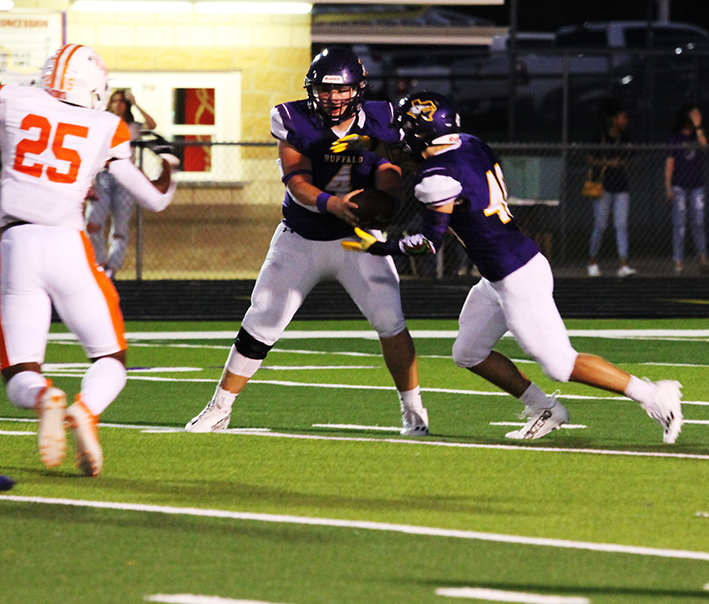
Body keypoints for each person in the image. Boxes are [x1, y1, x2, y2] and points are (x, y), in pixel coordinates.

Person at [340, 91, 683, 443]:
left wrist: (380, 245)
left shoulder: (436, 180)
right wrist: (369, 147)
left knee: (560, 363)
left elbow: (430, 241)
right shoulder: (470, 145)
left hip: (517, 276)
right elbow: (425, 161)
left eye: (405, 129)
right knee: (468, 351)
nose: (399, 135)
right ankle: (544, 408)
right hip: (503, 271)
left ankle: (654, 395)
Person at [185, 47, 429, 436]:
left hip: (359, 239)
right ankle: (220, 408)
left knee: (390, 321)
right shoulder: (292, 118)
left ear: (359, 89)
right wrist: (334, 203)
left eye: (341, 91)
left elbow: (388, 172)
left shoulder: (382, 118)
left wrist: (384, 202)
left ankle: (414, 412)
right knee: (262, 318)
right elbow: (296, 180)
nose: (332, 99)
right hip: (302, 236)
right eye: (325, 90)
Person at [0, 44, 177, 476]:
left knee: (20, 368)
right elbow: (155, 200)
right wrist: (170, 164)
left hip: (13, 245)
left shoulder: (11, 99)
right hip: (67, 244)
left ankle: (44, 397)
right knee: (110, 357)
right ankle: (86, 410)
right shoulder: (106, 126)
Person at [85, 89, 157, 279]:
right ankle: (100, 262)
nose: (118, 105)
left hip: (125, 180)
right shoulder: (104, 124)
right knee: (92, 222)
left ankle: (112, 267)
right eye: (115, 101)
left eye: (122, 102)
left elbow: (152, 125)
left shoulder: (133, 127)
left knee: (120, 227)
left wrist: (137, 103)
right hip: (103, 176)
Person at [587, 99, 636, 278]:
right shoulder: (600, 137)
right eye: (622, 117)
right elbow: (590, 159)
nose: (625, 120)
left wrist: (622, 163)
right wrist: (608, 162)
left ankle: (623, 264)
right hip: (603, 186)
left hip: (621, 187)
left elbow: (628, 159)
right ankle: (592, 261)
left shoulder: (626, 139)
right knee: (600, 225)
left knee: (621, 225)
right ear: (614, 119)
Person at [665, 103, 709, 276]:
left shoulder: (696, 134)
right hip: (679, 186)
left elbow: (705, 147)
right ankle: (678, 263)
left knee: (698, 223)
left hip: (696, 186)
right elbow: (669, 164)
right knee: (680, 226)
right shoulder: (675, 137)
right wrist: (668, 187)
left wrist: (698, 126)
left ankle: (703, 261)